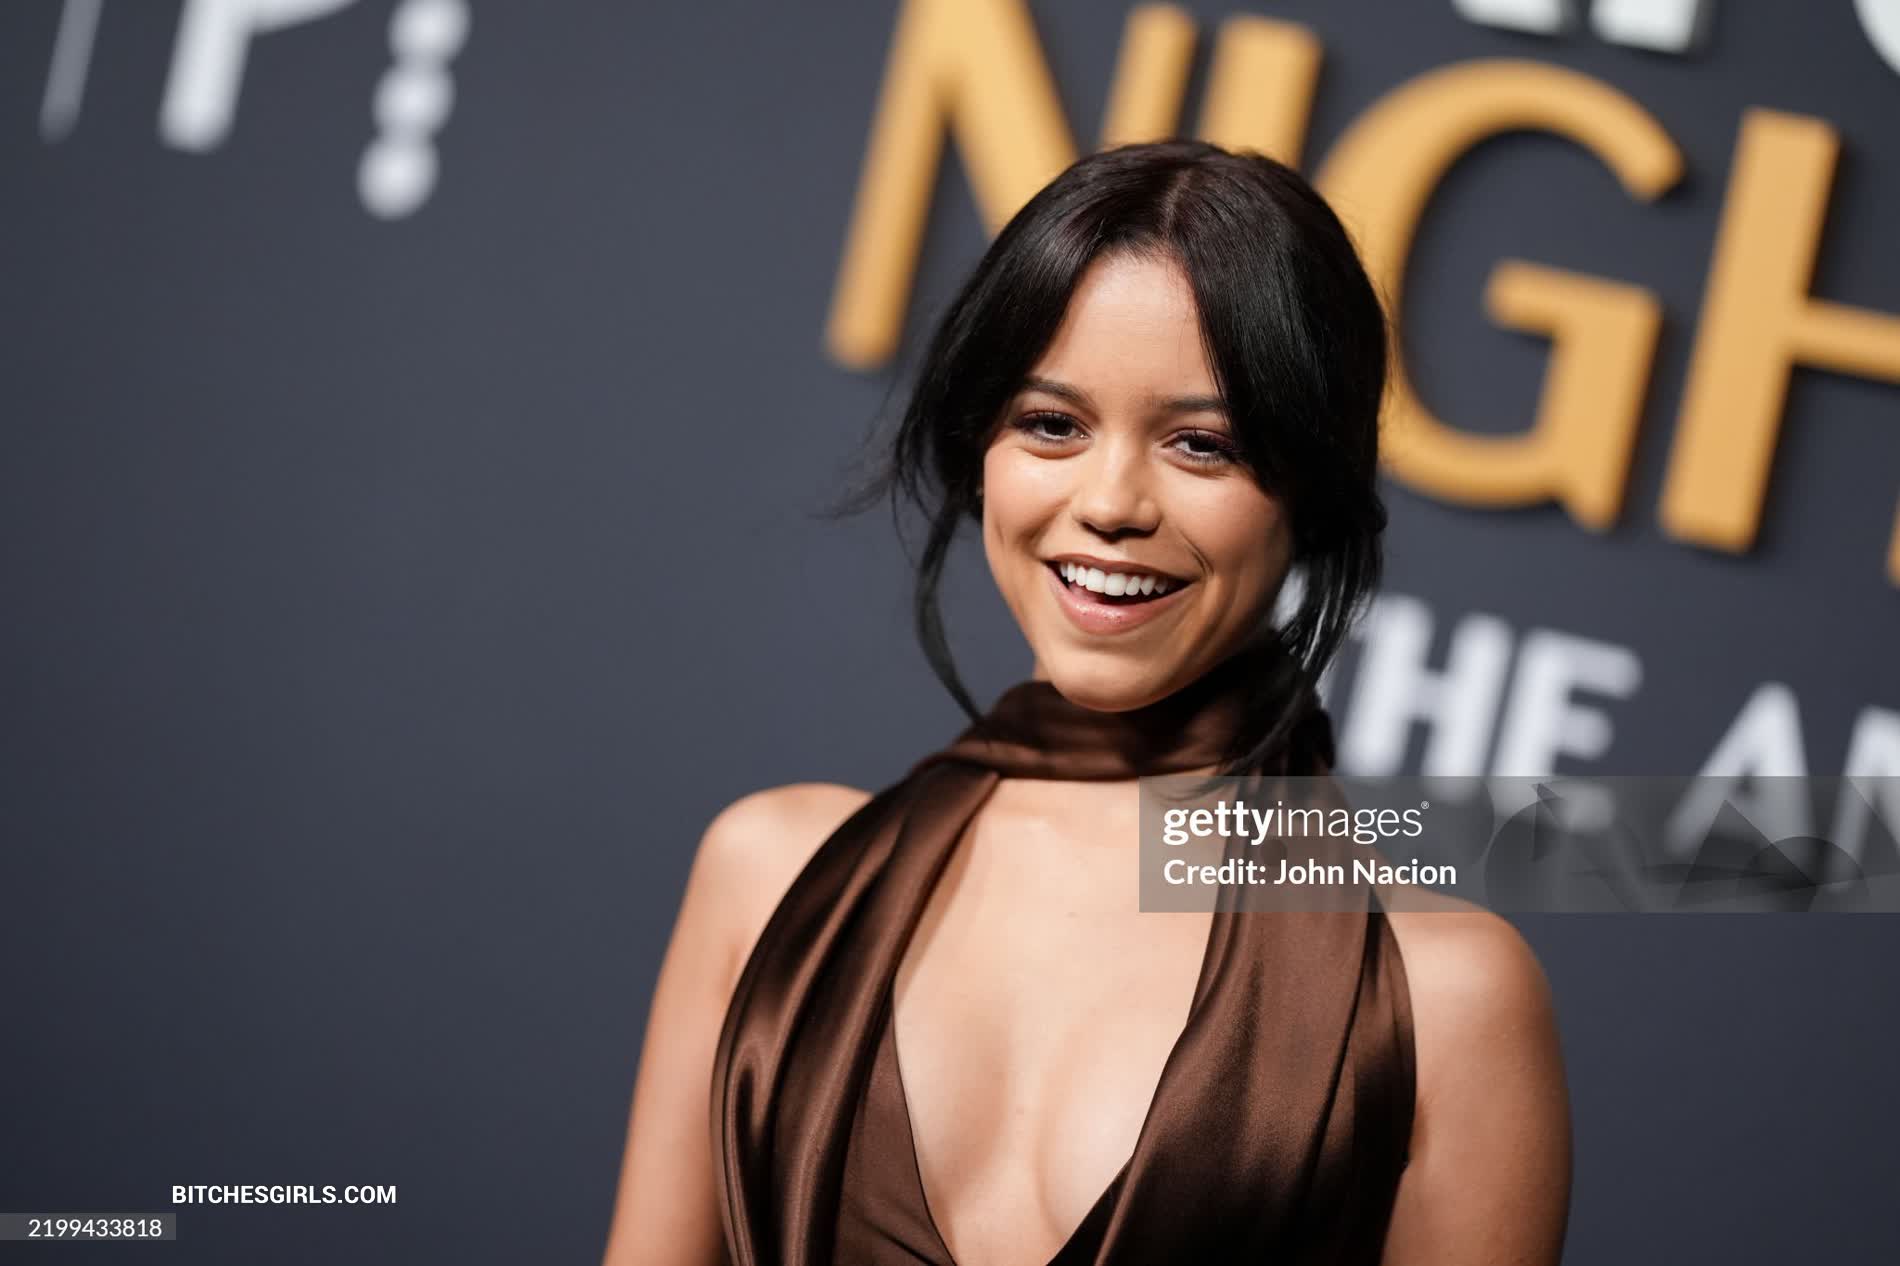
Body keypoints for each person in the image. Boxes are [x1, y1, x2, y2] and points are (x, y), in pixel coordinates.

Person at [601, 139, 1571, 1265]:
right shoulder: (770, 876)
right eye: (1051, 423)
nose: (1110, 503)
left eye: (1201, 444)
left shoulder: (1442, 999)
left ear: (1310, 494)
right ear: (980, 447)